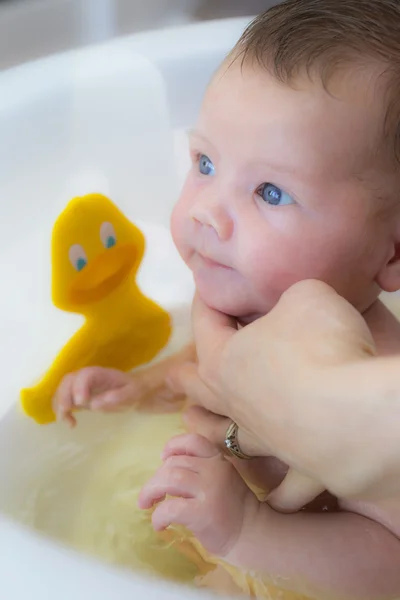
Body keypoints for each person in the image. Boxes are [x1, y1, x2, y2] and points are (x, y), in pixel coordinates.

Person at [54, 1, 400, 598]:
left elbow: (390, 566)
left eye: (270, 191)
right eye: (204, 162)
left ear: (391, 252)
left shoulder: (365, 378)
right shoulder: (239, 303)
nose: (206, 211)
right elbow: (205, 374)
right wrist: (140, 388)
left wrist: (246, 531)